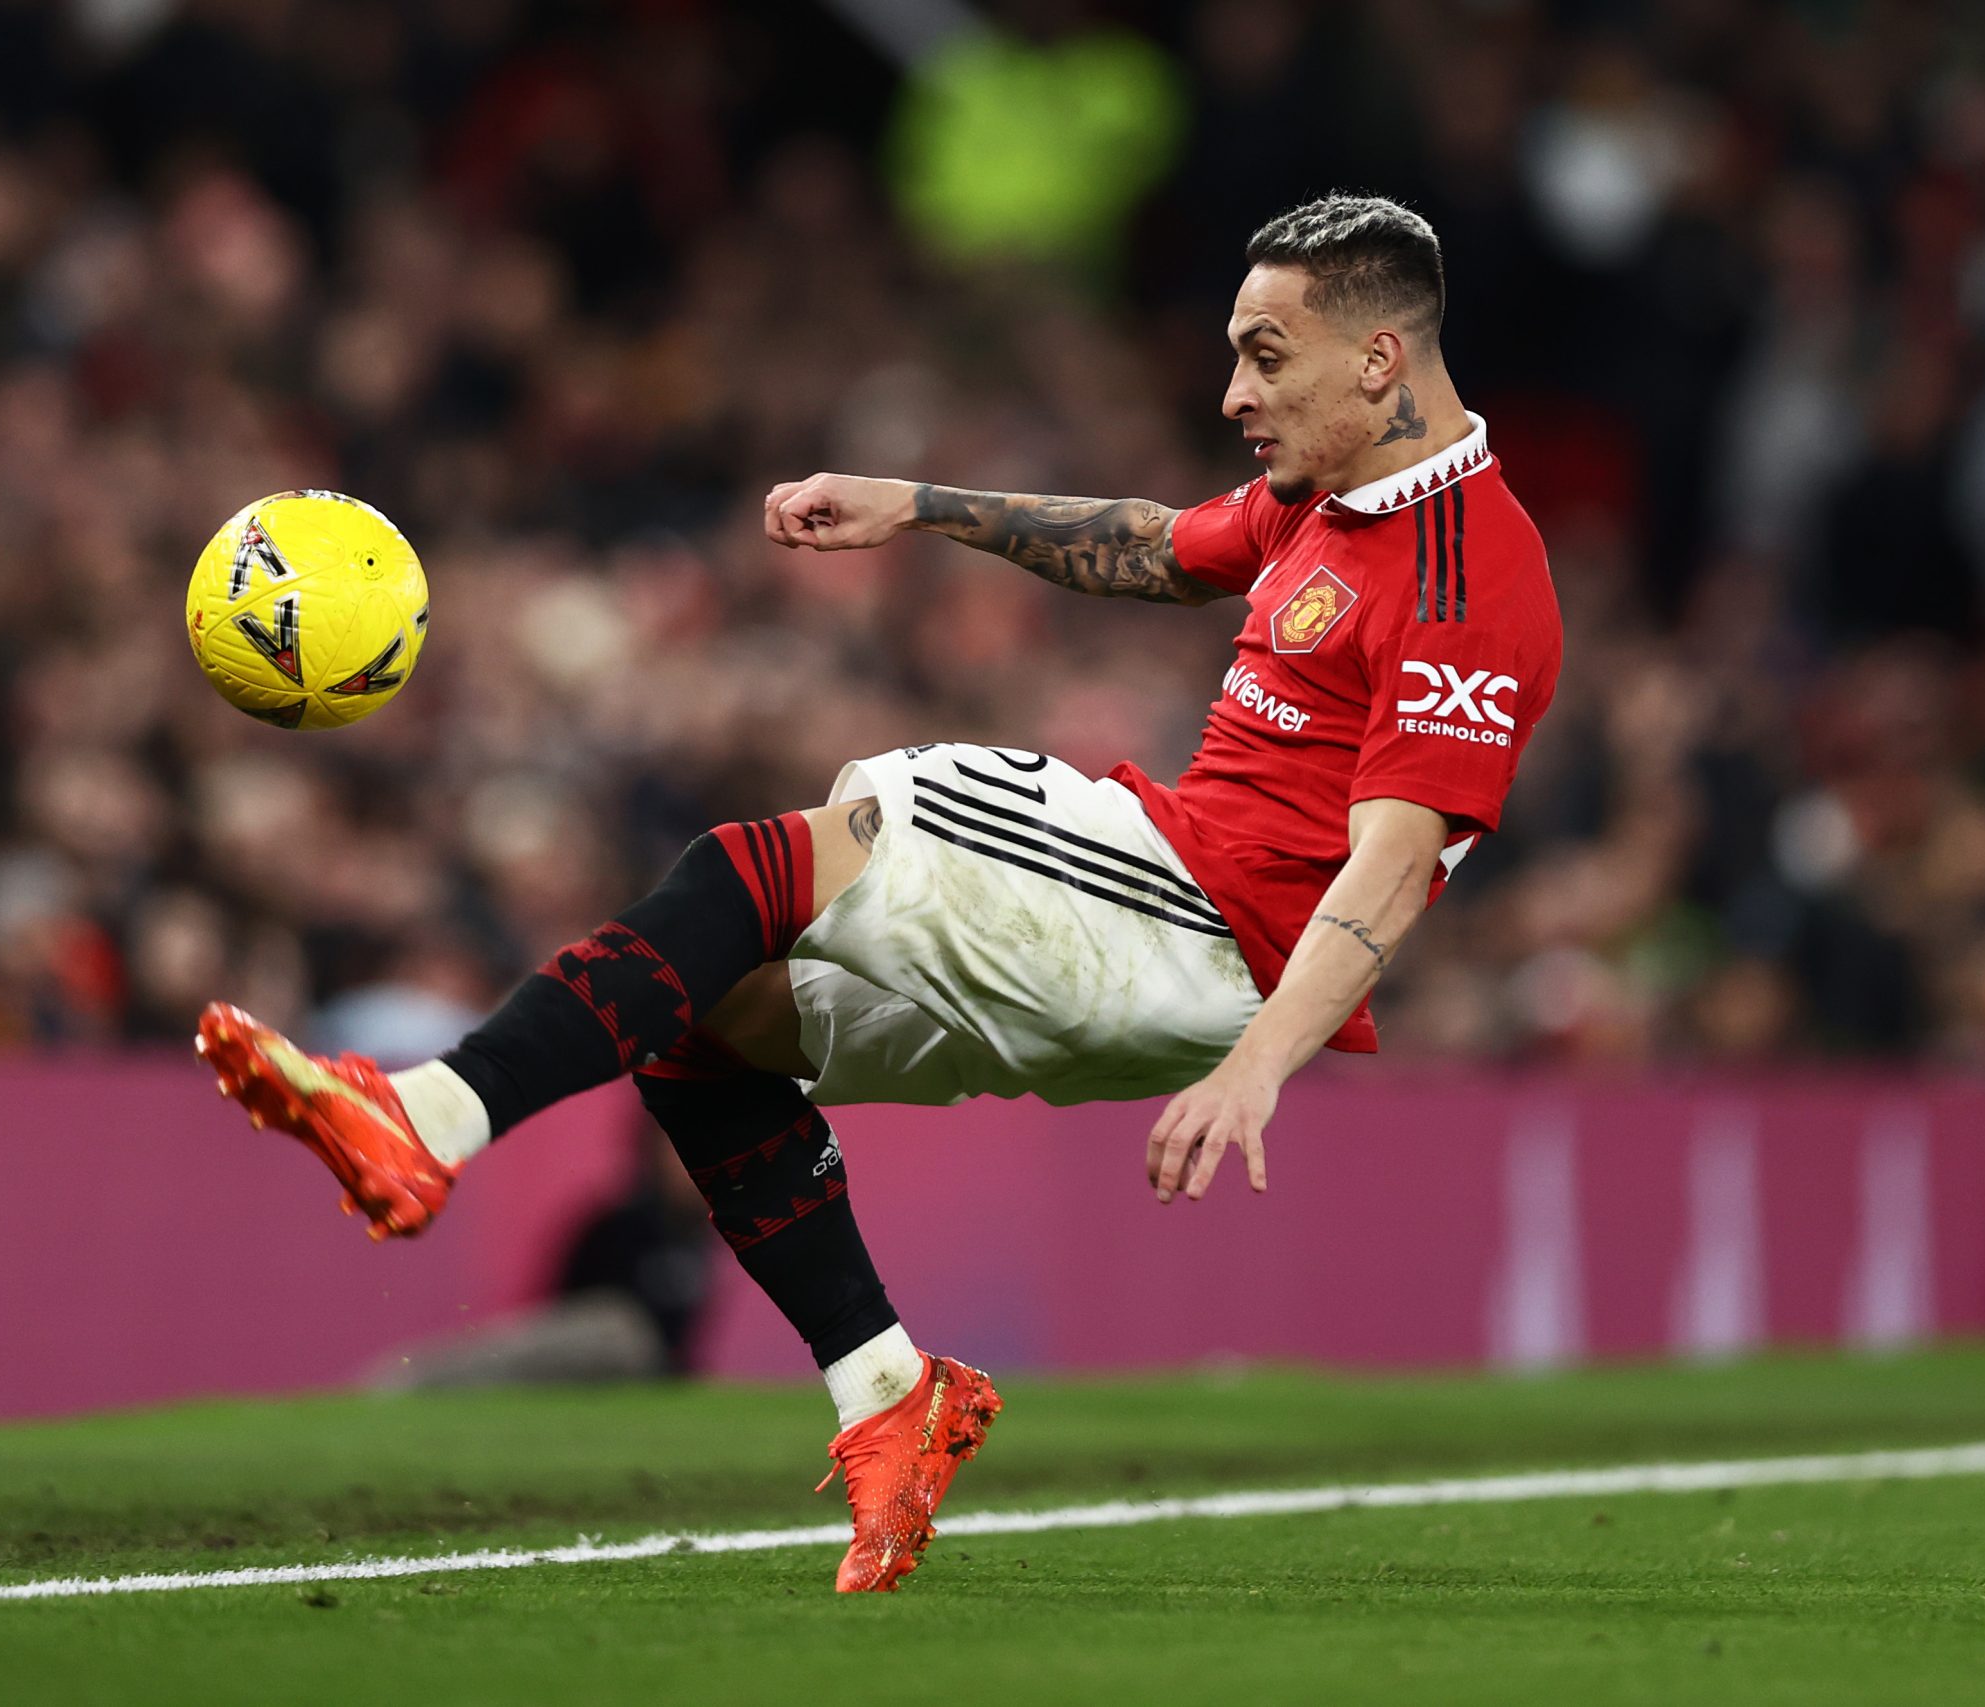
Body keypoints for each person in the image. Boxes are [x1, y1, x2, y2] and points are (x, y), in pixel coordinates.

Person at [197, 193, 1563, 1592]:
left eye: (1266, 356)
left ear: (1382, 359)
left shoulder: (1474, 575)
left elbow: (1391, 875)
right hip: (1156, 952)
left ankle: (427, 1114)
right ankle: (887, 1393)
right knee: (704, 1024)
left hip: (1192, 918)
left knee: (774, 856)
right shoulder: (1323, 502)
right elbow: (1156, 547)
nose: (1233, 392)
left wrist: (1260, 1070)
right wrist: (916, 506)